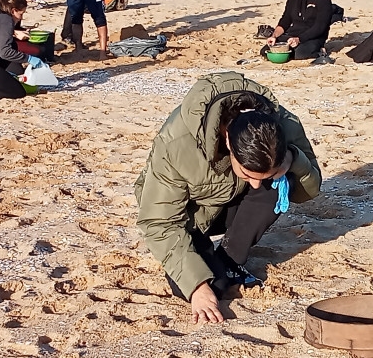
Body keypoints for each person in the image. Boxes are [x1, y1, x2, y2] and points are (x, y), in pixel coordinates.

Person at [135, 72, 322, 323]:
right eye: (247, 172)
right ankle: (214, 266)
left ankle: (230, 259)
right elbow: (160, 222)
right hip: (189, 217)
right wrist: (197, 287)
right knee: (206, 287)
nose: (257, 183)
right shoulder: (177, 142)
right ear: (228, 142)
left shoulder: (285, 123)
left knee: (278, 184)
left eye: (262, 175)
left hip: (233, 204)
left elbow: (309, 191)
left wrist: (292, 160)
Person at [263, 0, 333, 61]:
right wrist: (274, 36)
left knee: (299, 53)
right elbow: (285, 20)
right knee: (266, 50)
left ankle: (320, 50)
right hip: (292, 36)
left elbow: (320, 27)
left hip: (312, 38)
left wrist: (299, 39)